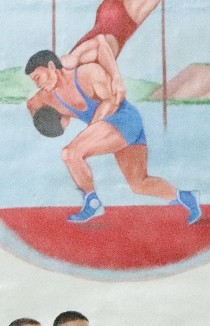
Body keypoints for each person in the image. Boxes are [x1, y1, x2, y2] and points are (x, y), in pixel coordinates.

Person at [24, 49, 200, 224]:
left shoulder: (88, 73)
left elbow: (112, 101)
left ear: (51, 66)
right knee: (139, 184)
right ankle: (187, 197)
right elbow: (31, 104)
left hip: (124, 119)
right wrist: (50, 123)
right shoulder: (50, 98)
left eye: (38, 77)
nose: (37, 84)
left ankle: (93, 203)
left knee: (70, 153)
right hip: (111, 131)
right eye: (34, 80)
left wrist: (91, 129)